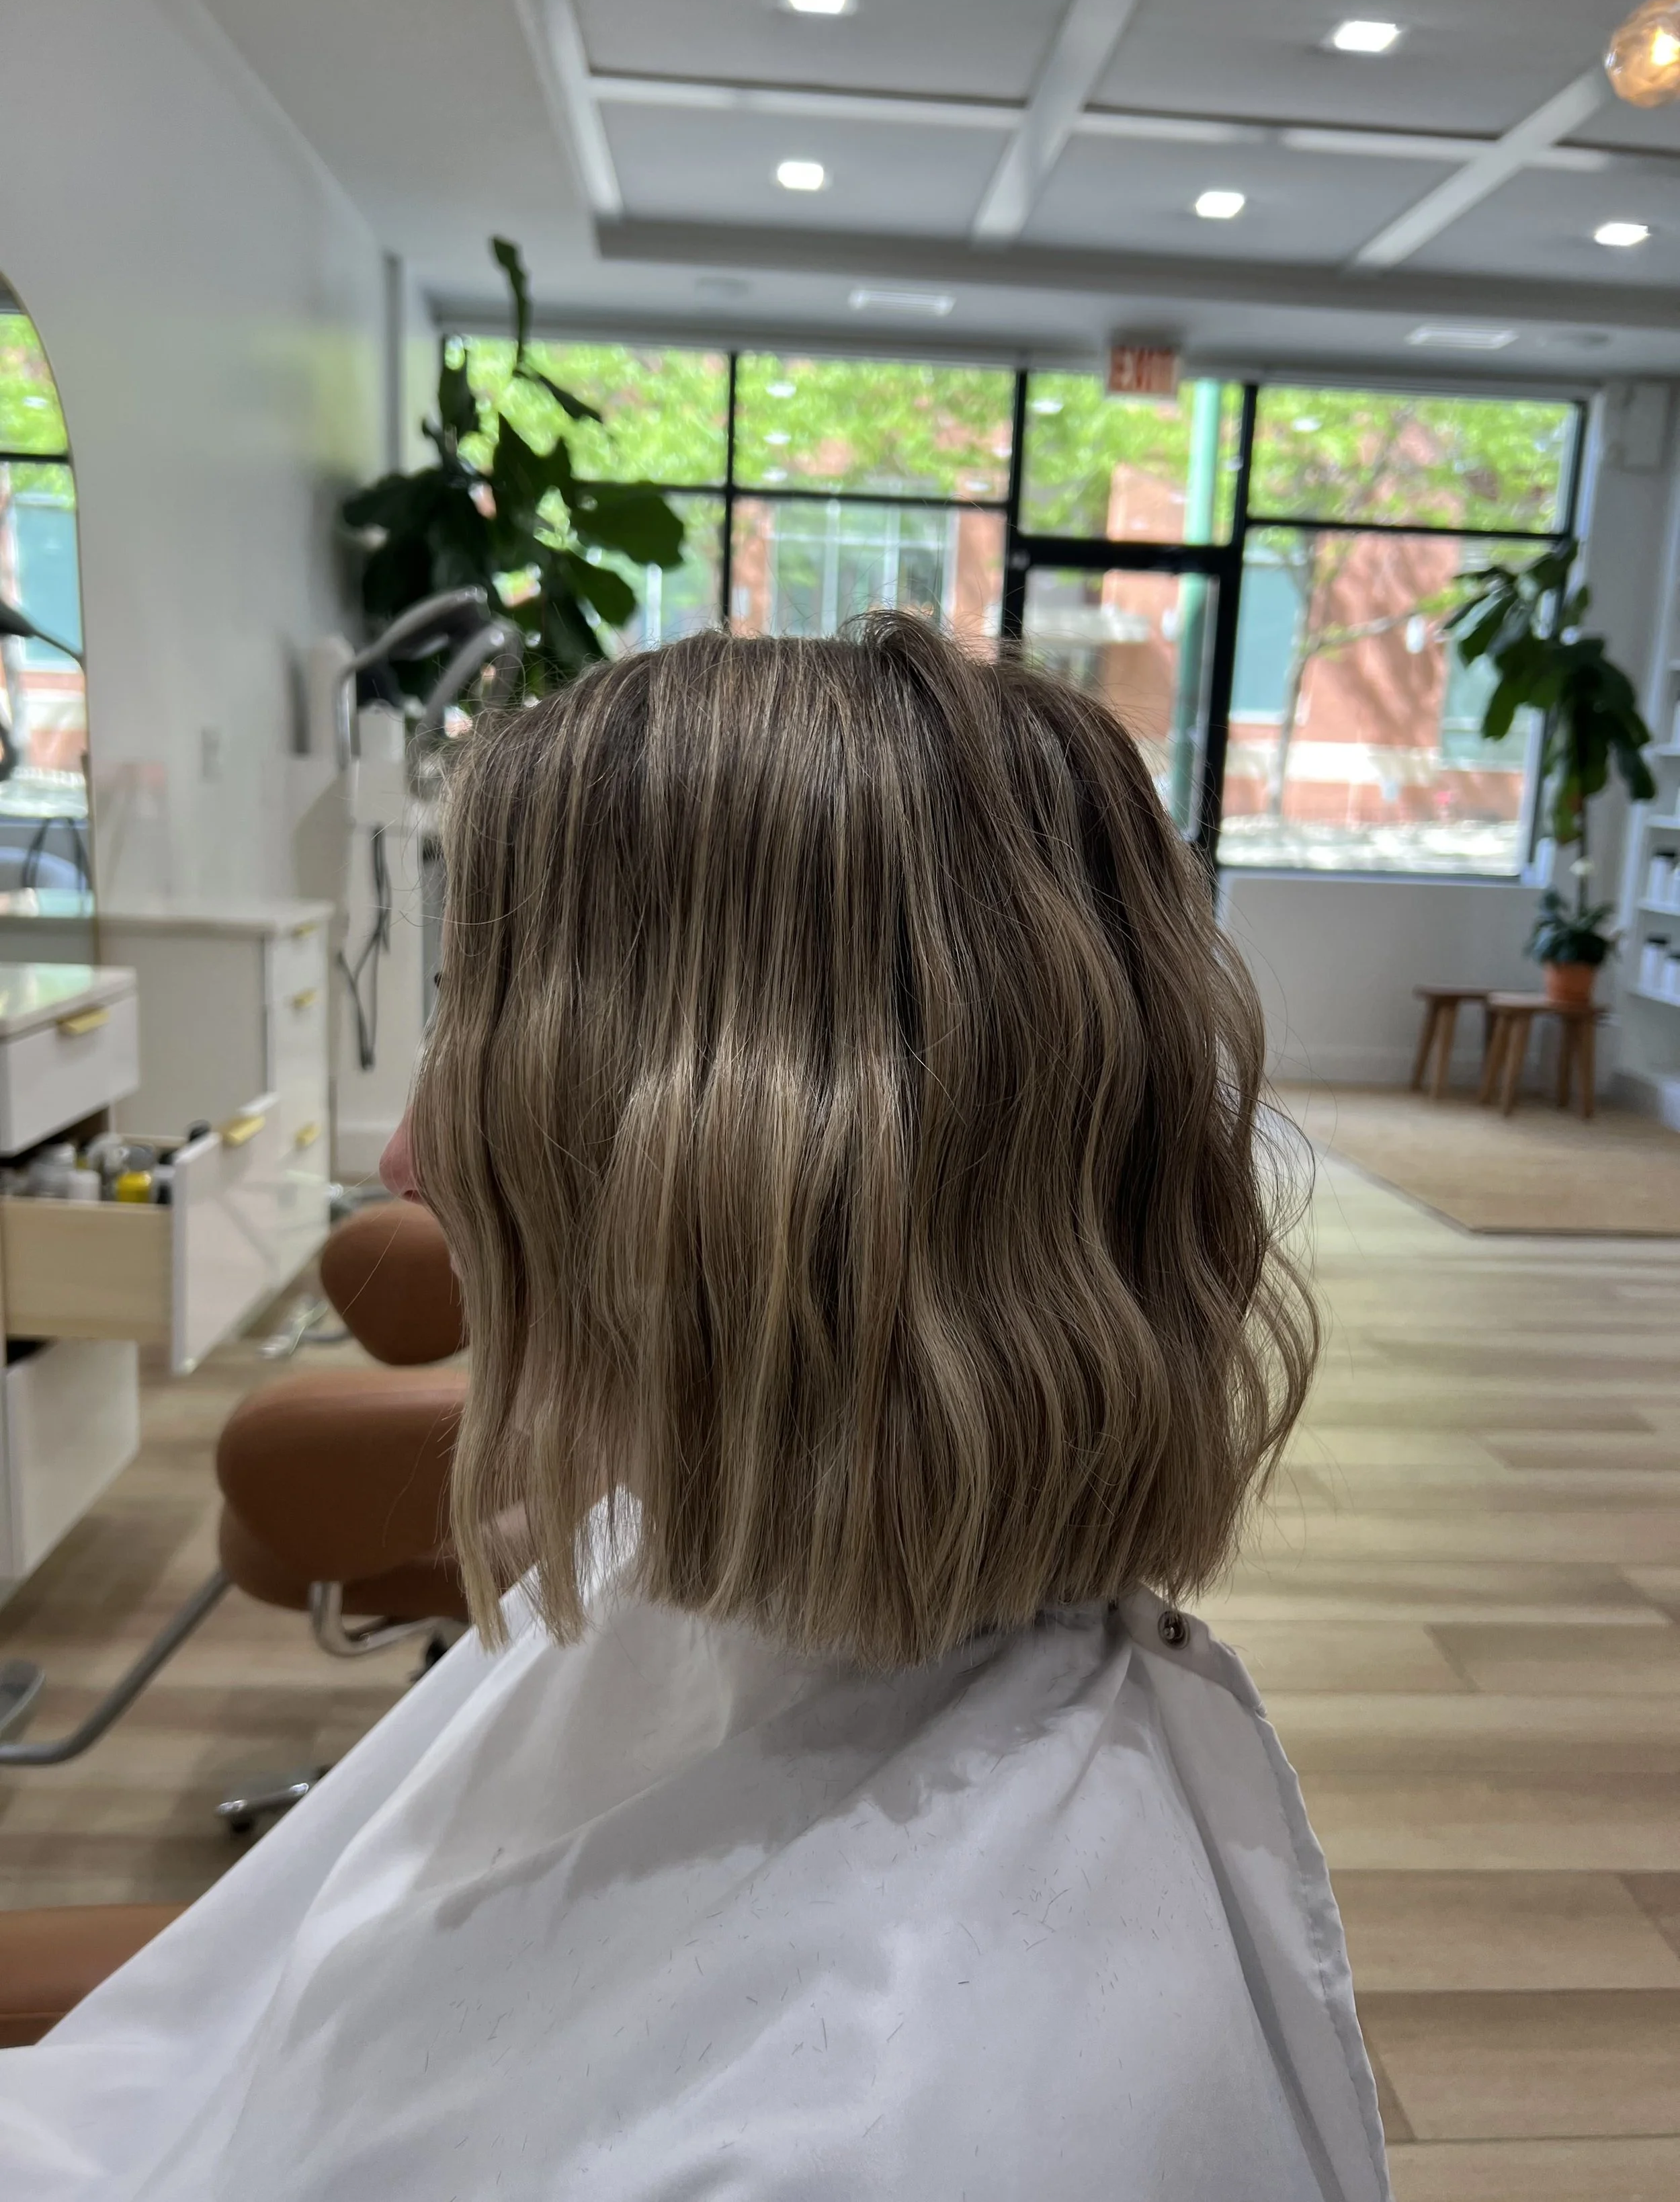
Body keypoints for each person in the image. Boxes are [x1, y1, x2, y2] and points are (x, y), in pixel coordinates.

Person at [0, 617, 1388, 2201]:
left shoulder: (888, 2113)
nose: (407, 1158)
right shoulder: (691, 1561)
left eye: (482, 1028)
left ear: (732, 1163)